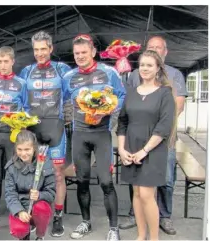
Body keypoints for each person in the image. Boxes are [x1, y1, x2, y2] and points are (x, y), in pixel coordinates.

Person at [119, 36, 187, 235]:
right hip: (131, 147)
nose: (145, 68)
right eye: (141, 65)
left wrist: (144, 151)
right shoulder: (131, 92)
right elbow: (122, 122)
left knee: (148, 194)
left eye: (149, 65)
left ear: (158, 68)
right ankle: (141, 235)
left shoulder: (165, 93)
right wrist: (122, 148)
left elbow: (164, 126)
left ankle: (154, 238)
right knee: (137, 194)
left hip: (153, 150)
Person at [63, 34, 126, 240]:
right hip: (79, 133)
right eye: (76, 53)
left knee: (106, 182)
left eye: (83, 52)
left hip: (101, 134)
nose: (80, 56)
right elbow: (61, 101)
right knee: (82, 181)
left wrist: (107, 110)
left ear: (93, 52)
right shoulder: (68, 77)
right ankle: (85, 222)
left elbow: (122, 95)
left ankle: (114, 228)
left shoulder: (109, 72)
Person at [19, 30, 71, 237]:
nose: (40, 53)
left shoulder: (62, 69)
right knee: (32, 173)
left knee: (58, 174)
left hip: (56, 128)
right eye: (36, 49)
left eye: (43, 49)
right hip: (32, 129)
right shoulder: (26, 71)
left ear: (51, 49)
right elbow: (17, 94)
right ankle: (33, 213)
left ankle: (58, 216)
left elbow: (74, 93)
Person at [0, 46, 28, 230]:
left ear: (12, 61)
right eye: (0, 61)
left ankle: (14, 212)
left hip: (12, 135)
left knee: (13, 173)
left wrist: (22, 125)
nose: (3, 65)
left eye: (6, 61)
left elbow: (26, 108)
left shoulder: (21, 83)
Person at [5, 130, 56, 240]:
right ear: (15, 148)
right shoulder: (11, 167)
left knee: (42, 208)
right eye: (20, 149)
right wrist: (19, 211)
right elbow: (10, 194)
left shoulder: (45, 163)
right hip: (20, 204)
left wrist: (39, 195)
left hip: (38, 205)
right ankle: (24, 234)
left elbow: (51, 193)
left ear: (34, 148)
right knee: (19, 230)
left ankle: (40, 235)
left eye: (27, 149)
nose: (23, 153)